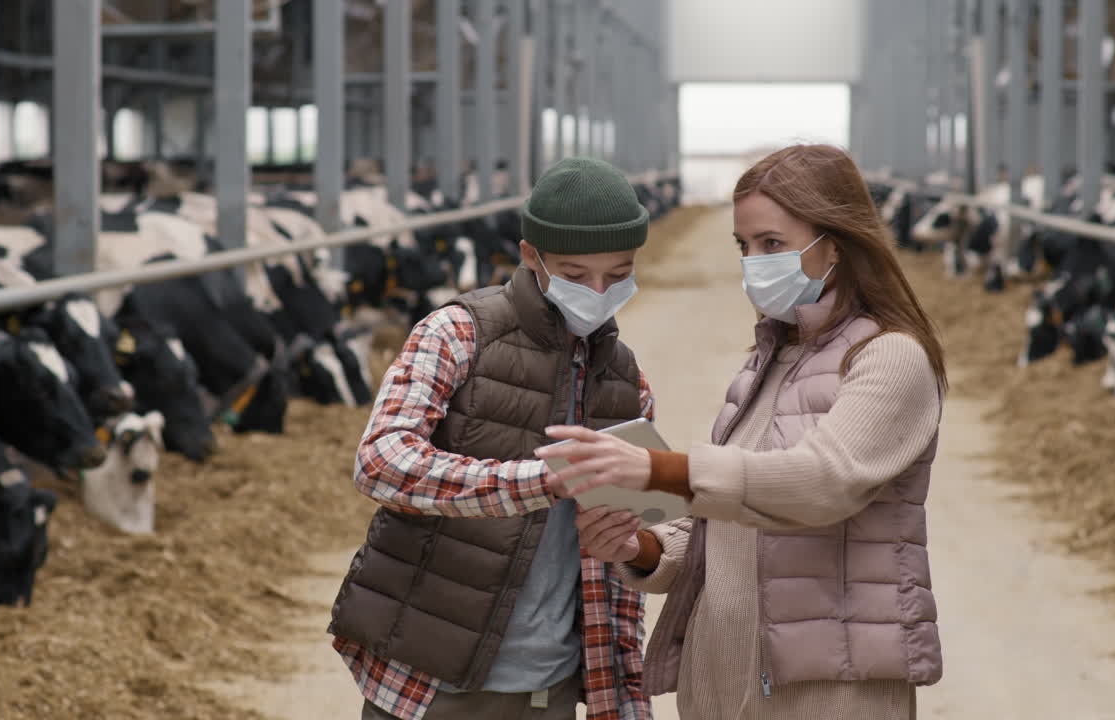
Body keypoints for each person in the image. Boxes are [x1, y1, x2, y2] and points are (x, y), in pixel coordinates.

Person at [537, 144, 948, 719]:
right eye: (744, 246)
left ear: (835, 244)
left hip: (825, 695)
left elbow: (818, 483)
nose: (754, 262)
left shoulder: (891, 359)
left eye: (772, 244)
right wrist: (642, 546)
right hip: (723, 684)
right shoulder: (769, 359)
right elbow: (721, 523)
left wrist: (662, 470)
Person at [329, 156, 656, 720]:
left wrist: (623, 696)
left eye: (618, 274)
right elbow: (381, 460)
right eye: (576, 276)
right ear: (532, 256)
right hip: (429, 683)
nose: (599, 292)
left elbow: (625, 549)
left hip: (551, 686)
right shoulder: (457, 332)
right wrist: (537, 480)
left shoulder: (626, 381)